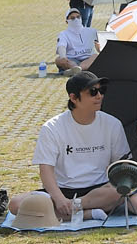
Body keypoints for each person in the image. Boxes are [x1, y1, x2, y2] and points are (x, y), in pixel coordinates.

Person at [12, 72, 127, 224]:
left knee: (119, 192)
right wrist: (59, 198)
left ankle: (70, 210)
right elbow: (45, 170)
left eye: (102, 90)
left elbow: (121, 165)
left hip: (98, 190)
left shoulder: (113, 124)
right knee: (16, 204)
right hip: (62, 190)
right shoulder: (52, 127)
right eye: (93, 92)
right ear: (73, 98)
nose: (99, 96)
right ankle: (88, 214)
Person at [54, 9, 98, 75]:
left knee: (96, 56)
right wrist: (63, 57)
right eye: (72, 18)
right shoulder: (64, 34)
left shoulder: (92, 31)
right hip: (71, 59)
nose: (76, 20)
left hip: (88, 58)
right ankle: (76, 69)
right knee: (58, 59)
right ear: (67, 21)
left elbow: (103, 40)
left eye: (78, 17)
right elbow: (61, 46)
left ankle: (77, 69)